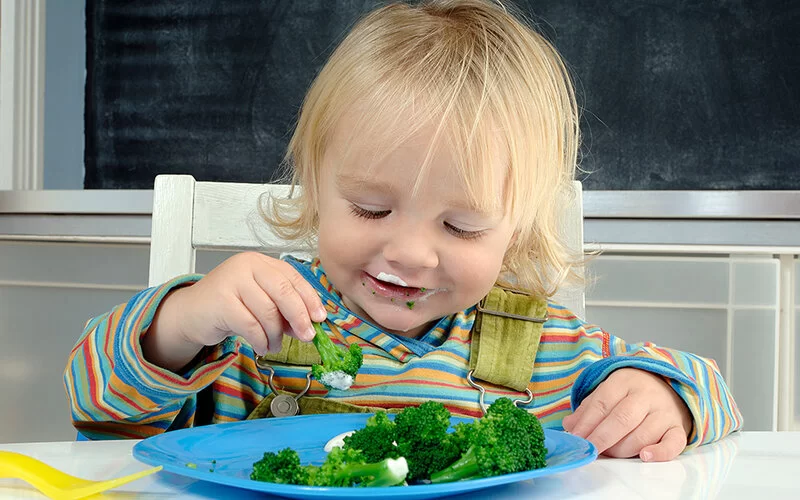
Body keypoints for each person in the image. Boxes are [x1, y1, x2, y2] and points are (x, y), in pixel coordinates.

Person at [64, 0, 741, 462]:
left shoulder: (546, 350)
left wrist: (666, 401)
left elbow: (712, 389)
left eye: (463, 225)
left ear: (516, 232)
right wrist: (183, 321)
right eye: (369, 208)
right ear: (315, 187)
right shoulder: (254, 330)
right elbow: (99, 412)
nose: (412, 253)